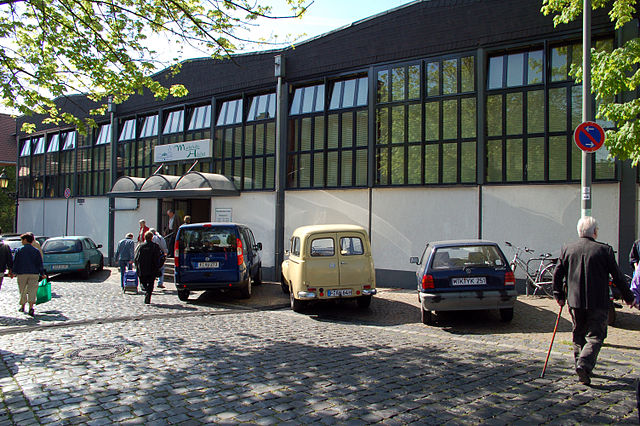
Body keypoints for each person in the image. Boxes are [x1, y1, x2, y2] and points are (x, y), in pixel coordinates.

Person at [552, 216, 635, 385]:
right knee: (596, 336)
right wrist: (629, 297)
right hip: (598, 301)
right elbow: (618, 276)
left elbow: (557, 274)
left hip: (575, 301)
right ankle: (584, 364)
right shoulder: (604, 250)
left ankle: (580, 366)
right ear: (595, 232)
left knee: (578, 334)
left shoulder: (568, 248)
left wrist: (558, 295)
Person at [11, 233, 45, 317]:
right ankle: (31, 307)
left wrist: (13, 272)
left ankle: (22, 306)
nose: (21, 241)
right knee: (32, 290)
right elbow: (39, 263)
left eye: (22, 240)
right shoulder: (36, 250)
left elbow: (15, 262)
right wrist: (42, 273)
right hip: (34, 273)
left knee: (22, 290)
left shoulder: (19, 250)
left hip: (22, 273)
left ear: (25, 240)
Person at [134, 231, 164, 304]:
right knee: (151, 283)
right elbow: (159, 257)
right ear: (151, 238)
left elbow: (136, 258)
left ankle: (146, 291)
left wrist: (137, 267)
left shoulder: (141, 246)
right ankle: (148, 293)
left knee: (144, 282)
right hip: (152, 268)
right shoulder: (155, 246)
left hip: (143, 268)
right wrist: (159, 266)